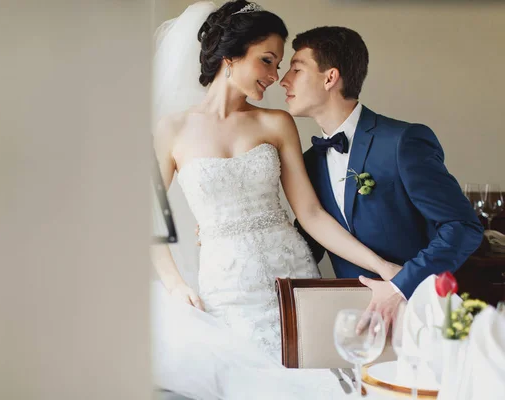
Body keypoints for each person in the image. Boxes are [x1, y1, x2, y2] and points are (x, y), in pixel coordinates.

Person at [151, 1, 397, 398]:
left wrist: (381, 266)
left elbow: (312, 214)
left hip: (290, 277)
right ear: (230, 55)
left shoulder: (276, 123)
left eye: (279, 63)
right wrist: (176, 285)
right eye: (267, 60)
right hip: (226, 288)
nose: (275, 75)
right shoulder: (172, 129)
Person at [279, 26, 484, 325]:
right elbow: (311, 240)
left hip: (422, 313)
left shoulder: (403, 141)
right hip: (355, 320)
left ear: (330, 77)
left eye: (296, 69)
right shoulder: (308, 162)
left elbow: (464, 227)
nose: (284, 81)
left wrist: (400, 286)